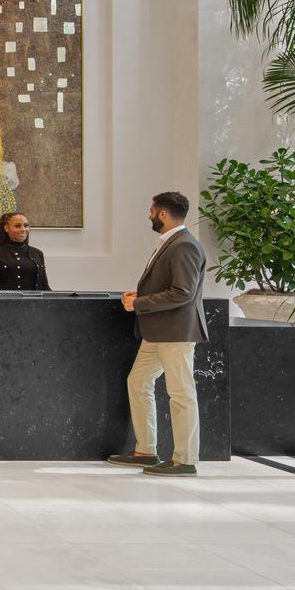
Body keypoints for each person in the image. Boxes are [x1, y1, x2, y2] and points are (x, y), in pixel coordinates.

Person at [109, 190, 208, 477]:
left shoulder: (184, 245)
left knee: (181, 393)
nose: (149, 215)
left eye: (152, 210)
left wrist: (138, 303)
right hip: (159, 330)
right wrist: (142, 294)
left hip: (175, 331)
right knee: (138, 381)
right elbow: (172, 287)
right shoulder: (172, 243)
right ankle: (146, 451)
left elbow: (183, 293)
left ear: (162, 213)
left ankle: (185, 460)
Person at [0, 211, 50, 292]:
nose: (23, 229)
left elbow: (45, 286)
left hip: (36, 303)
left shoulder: (38, 253)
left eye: (26, 225)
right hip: (8, 303)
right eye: (17, 226)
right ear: (6, 228)